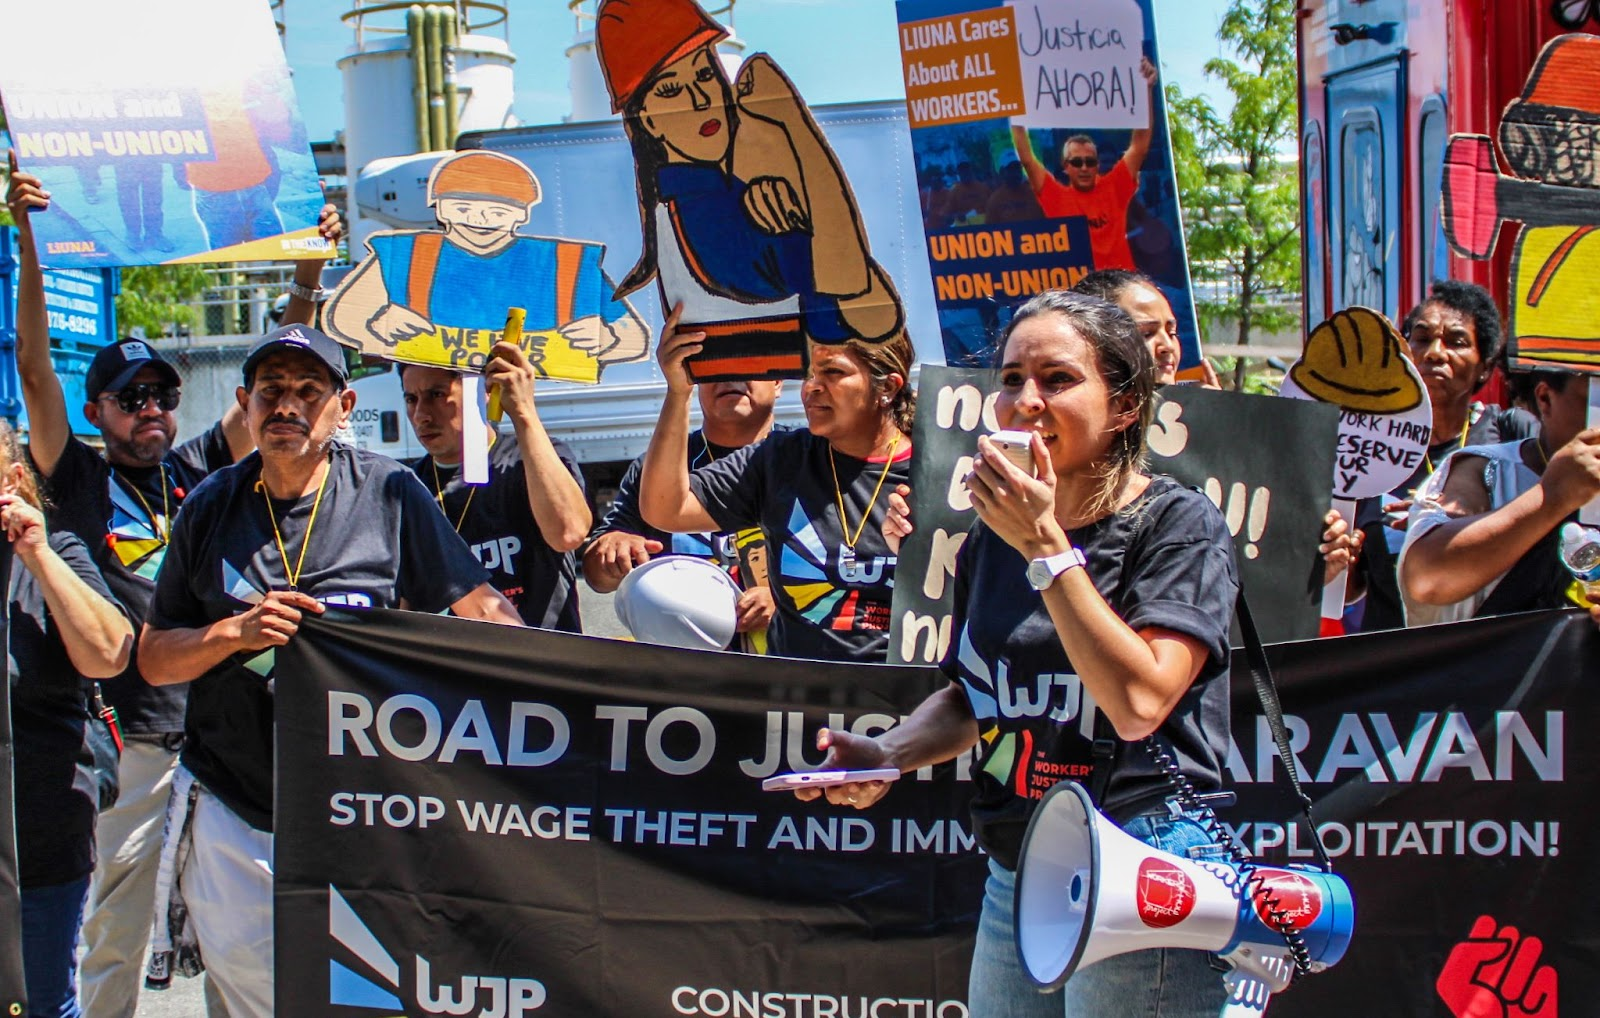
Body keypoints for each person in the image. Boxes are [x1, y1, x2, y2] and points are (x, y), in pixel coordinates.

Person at [800, 291, 1241, 1016]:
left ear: (1127, 406)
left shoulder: (1178, 525)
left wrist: (1047, 549)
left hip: (1146, 855)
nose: (1025, 401)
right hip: (1025, 863)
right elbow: (977, 691)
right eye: (1010, 380)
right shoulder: (995, 536)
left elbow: (1140, 704)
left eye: (1057, 380)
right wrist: (890, 753)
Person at [5, 155, 342, 1018]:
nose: (150, 408)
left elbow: (281, 380)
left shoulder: (202, 470)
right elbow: (36, 370)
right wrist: (30, 239)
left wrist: (307, 269)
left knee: (235, 936)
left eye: (161, 393)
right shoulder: (72, 477)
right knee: (115, 927)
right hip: (137, 736)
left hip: (222, 736)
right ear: (98, 413)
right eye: (128, 397)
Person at [137, 325, 522, 1017]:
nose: (287, 406)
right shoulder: (207, 506)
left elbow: (485, 613)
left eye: (308, 392)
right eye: (271, 391)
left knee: (363, 998)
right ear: (243, 402)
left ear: (344, 406)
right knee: (260, 999)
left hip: (363, 808)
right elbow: (155, 660)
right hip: (238, 808)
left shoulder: (389, 494)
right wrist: (230, 633)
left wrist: (577, 688)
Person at [595, 0, 903, 379]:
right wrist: (794, 133)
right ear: (647, 119)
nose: (700, 100)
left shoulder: (718, 195)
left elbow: (867, 310)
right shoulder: (709, 211)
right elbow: (853, 308)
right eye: (672, 90)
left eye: (705, 75)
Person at [639, 305, 915, 662]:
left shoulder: (936, 469)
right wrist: (678, 393)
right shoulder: (781, 459)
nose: (813, 387)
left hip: (909, 703)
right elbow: (666, 508)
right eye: (810, 373)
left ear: (888, 388)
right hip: (800, 704)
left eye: (833, 372)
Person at [2, 423, 135, 1018]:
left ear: (11, 480)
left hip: (39, 841)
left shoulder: (56, 552)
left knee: (40, 1002)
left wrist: (37, 550)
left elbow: (109, 652)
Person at [326, 150, 649, 376]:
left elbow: (633, 338)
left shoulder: (566, 263)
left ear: (522, 214)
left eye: (498, 211)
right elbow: (344, 319)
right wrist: (377, 325)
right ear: (438, 209)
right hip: (450, 411)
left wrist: (607, 340)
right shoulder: (407, 255)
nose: (479, 220)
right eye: (462, 208)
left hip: (526, 417)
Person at [1349, 280, 1538, 630]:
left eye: (1457, 341)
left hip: (1484, 662)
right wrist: (1339, 556)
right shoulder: (1368, 443)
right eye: (1422, 338)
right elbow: (1348, 591)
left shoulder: (1513, 432)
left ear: (1484, 365)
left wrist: (1433, 522)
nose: (1435, 352)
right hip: (1385, 668)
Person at [583, 378, 783, 651]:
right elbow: (597, 579)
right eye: (713, 368)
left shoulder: (804, 460)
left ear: (778, 382)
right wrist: (612, 550)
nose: (730, 376)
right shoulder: (658, 468)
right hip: (687, 671)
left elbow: (852, 564)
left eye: (746, 366)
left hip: (789, 668)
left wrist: (787, 599)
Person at [399, 347, 591, 631]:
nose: (421, 415)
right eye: (411, 399)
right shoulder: (407, 486)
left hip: (545, 659)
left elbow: (569, 532)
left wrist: (524, 412)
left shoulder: (528, 460)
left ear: (482, 390)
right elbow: (405, 605)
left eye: (437, 395)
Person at [1400, 371, 1600, 626]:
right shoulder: (1483, 469)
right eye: (1595, 398)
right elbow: (1427, 579)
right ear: (1545, 398)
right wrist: (1552, 498)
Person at [1010, 58, 1158, 272]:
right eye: (1076, 162)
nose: (1084, 167)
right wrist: (1016, 104)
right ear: (1066, 167)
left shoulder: (1114, 186)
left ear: (1097, 165)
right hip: (1081, 294)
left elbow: (1140, 146)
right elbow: (1026, 158)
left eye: (1090, 161)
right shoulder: (1056, 197)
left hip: (1121, 287)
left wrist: (1146, 89)